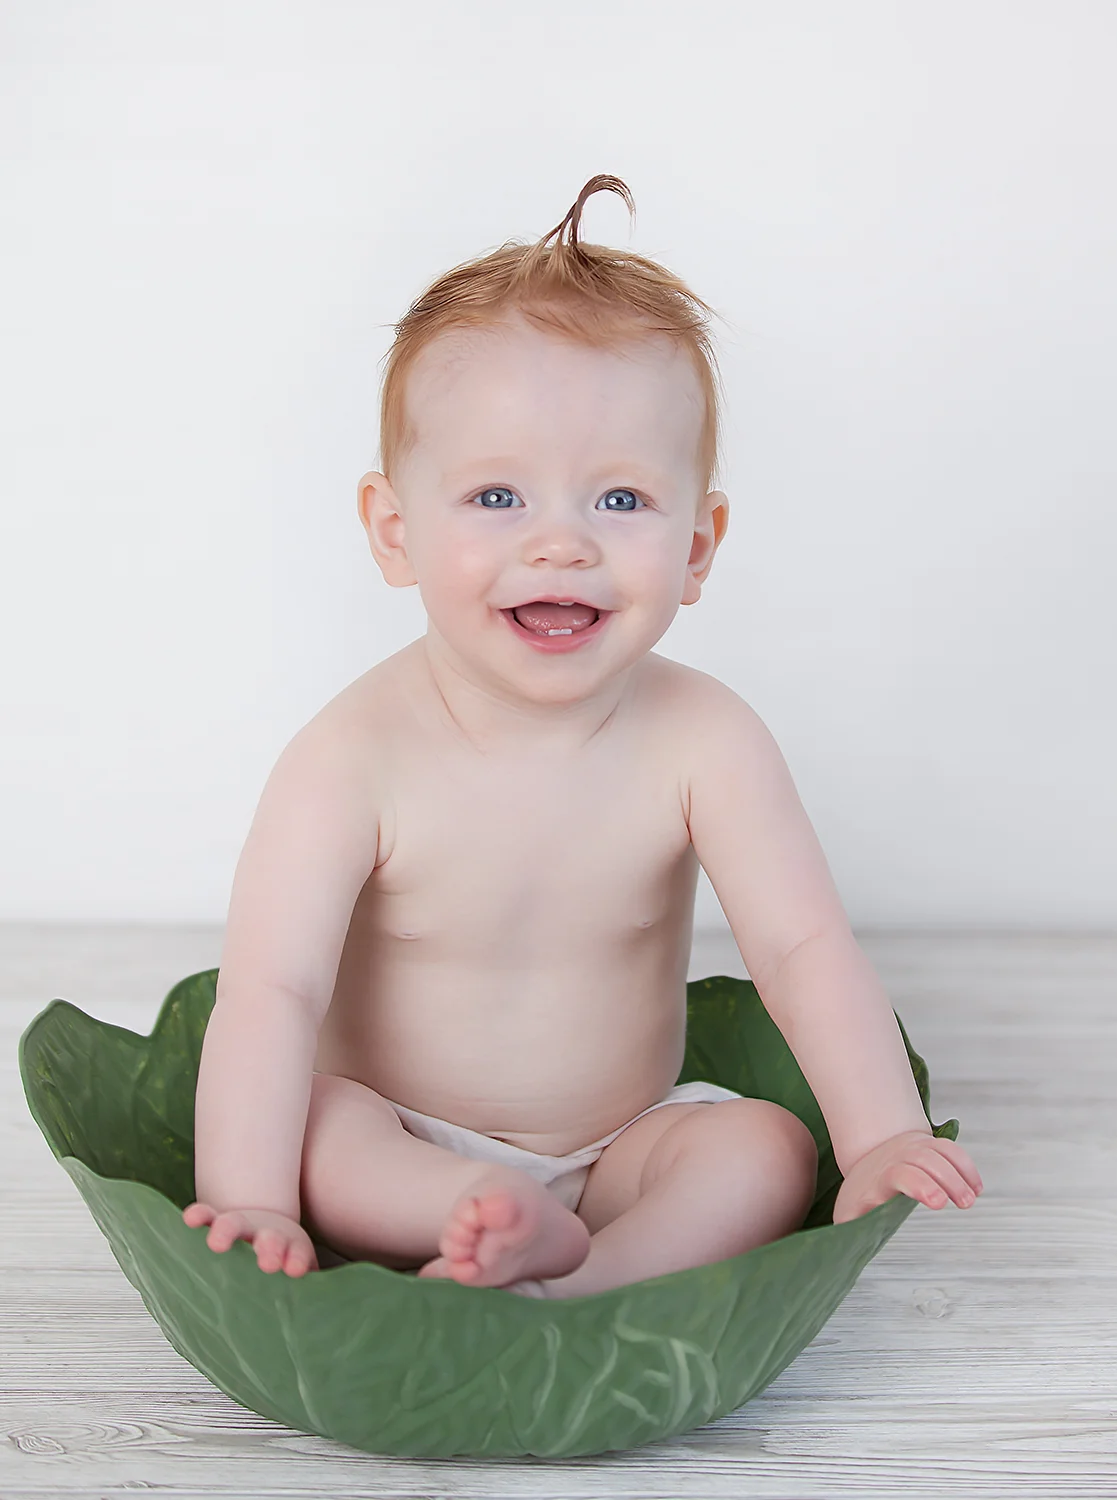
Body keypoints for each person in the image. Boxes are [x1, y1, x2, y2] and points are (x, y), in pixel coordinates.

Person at [182, 174, 982, 1299]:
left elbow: (803, 951)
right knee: (311, 1124)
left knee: (763, 1147)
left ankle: (581, 1276)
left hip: (620, 1150)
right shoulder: (349, 759)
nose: (560, 545)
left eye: (619, 501)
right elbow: (272, 993)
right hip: (395, 1147)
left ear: (696, 548)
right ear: (394, 530)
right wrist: (253, 1198)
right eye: (496, 498)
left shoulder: (707, 741)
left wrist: (881, 1136)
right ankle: (475, 1221)